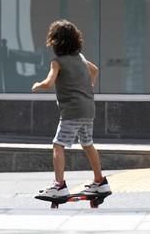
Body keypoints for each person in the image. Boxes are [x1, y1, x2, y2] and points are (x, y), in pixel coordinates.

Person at [31, 19, 111, 198]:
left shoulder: (57, 62)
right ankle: (100, 181)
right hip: (88, 109)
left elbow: (50, 82)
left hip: (72, 111)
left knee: (58, 145)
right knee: (87, 144)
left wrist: (37, 85)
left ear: (55, 42)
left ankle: (59, 185)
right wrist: (88, 86)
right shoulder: (80, 58)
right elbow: (95, 70)